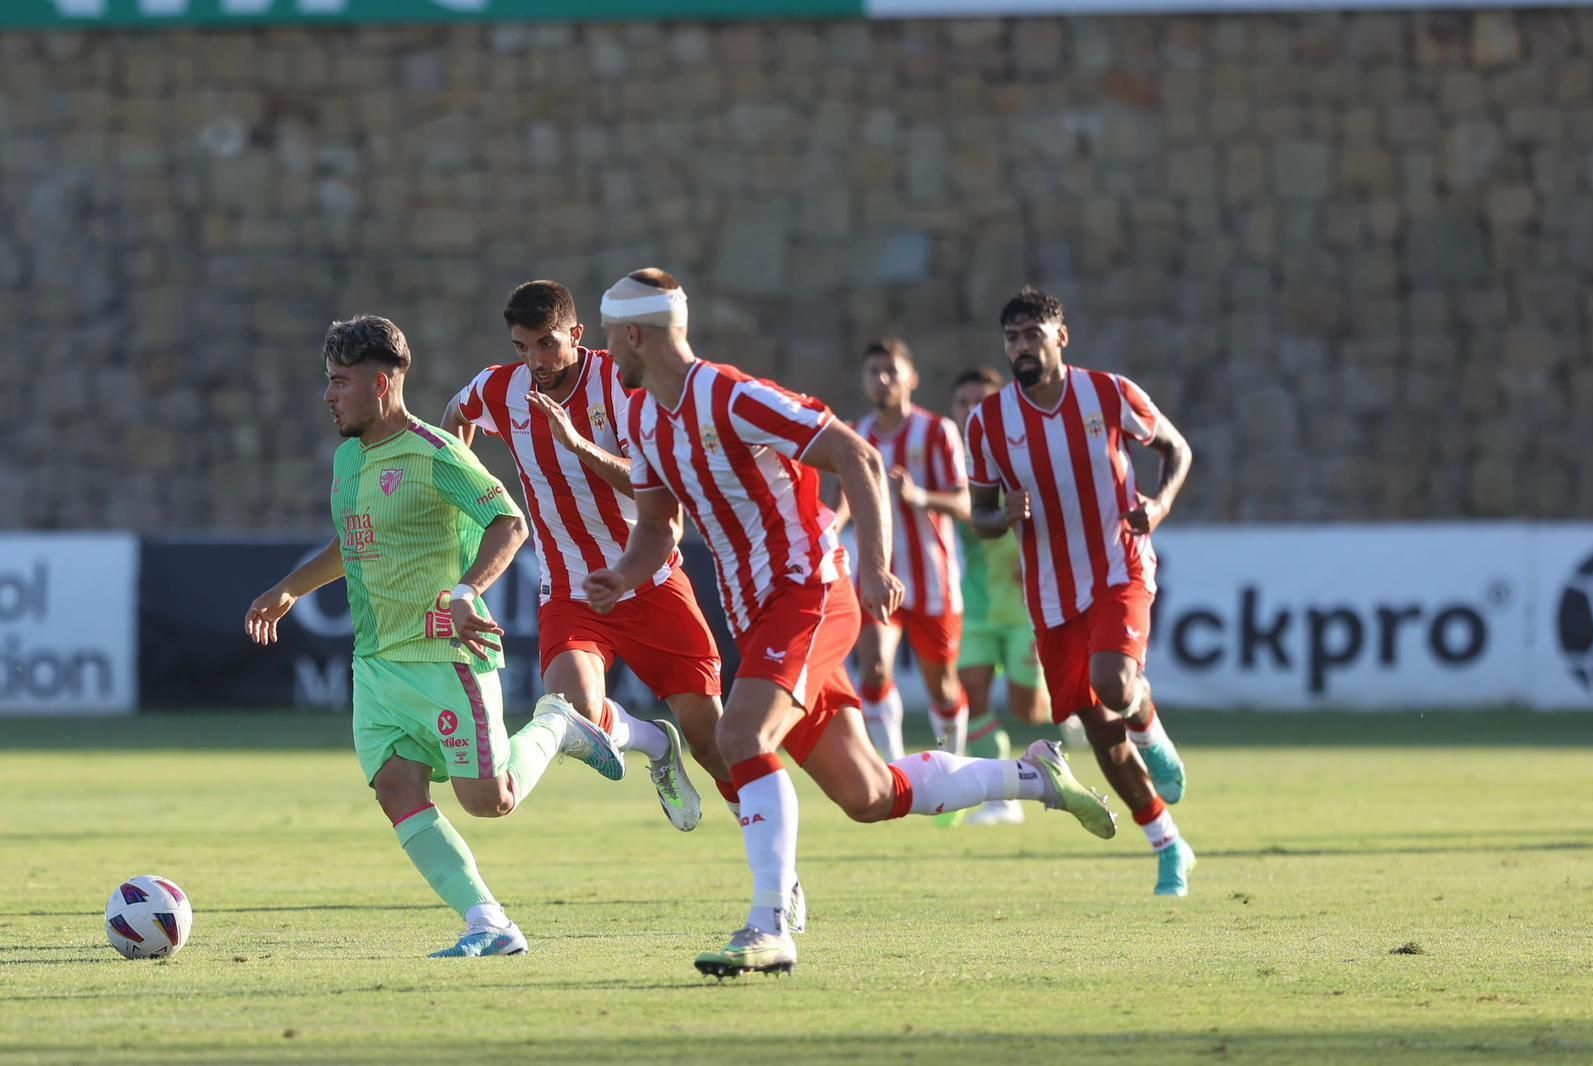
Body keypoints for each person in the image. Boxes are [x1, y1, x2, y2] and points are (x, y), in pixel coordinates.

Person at [583, 269, 1116, 978]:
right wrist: (623, 576)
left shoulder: (731, 395)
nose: (605, 350)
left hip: (809, 590)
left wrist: (874, 566)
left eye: (607, 336)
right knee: (868, 795)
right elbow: (657, 526)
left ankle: (769, 924)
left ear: (633, 335)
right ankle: (1035, 776)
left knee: (741, 736)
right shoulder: (645, 418)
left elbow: (855, 455)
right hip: (757, 613)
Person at [245, 315, 622, 958]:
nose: (329, 396)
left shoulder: (435, 453)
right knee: (396, 788)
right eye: (328, 381)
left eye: (340, 382)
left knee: (489, 801)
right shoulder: (348, 458)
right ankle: (488, 922)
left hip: (443, 655)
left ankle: (557, 724)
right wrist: (290, 589)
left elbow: (509, 522)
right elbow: (353, 542)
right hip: (376, 662)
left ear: (382, 384)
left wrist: (467, 592)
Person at [442, 279, 734, 833]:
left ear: (576, 334)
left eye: (547, 344)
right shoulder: (501, 388)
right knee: (572, 710)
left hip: (649, 582)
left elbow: (652, 486)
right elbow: (457, 413)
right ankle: (655, 743)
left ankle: (771, 860)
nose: (536, 361)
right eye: (522, 348)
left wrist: (577, 444)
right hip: (570, 592)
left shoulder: (620, 383)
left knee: (714, 743)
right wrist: (468, 488)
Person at [965, 287, 1195, 896]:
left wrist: (1160, 503)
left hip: (1120, 566)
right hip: (1050, 594)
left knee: (1115, 683)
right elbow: (979, 514)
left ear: (1060, 338)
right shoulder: (987, 422)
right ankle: (1169, 845)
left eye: (1032, 336)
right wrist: (1001, 515)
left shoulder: (1109, 393)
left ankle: (1152, 733)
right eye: (1012, 338)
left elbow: (1176, 449)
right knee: (1099, 732)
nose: (1021, 348)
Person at [843, 339, 970, 760]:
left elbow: (964, 502)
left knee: (943, 687)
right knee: (875, 669)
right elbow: (844, 501)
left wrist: (919, 497)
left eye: (891, 371)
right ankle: (898, 772)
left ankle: (951, 764)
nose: (881, 380)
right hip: (878, 575)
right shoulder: (856, 436)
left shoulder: (937, 432)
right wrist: (831, 525)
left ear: (911, 379)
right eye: (873, 372)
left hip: (933, 579)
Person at [947, 367, 1053, 827]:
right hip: (975, 605)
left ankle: (1070, 714)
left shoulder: (1023, 457)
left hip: (1025, 606)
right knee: (969, 694)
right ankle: (1003, 796)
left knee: (1030, 711)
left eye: (982, 402)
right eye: (963, 403)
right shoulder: (948, 462)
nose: (972, 411)